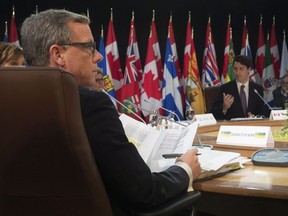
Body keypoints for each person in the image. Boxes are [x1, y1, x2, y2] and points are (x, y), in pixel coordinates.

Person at [20, 9, 201, 215]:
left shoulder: (13, 100)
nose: (98, 56)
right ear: (58, 54)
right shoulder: (89, 104)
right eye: (89, 46)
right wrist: (184, 169)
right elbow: (143, 192)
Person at [212, 55, 265, 120]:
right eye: (235, 69)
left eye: (241, 69)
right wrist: (224, 107)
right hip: (232, 128)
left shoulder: (257, 89)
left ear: (248, 70)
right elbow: (213, 113)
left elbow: (262, 113)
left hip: (252, 127)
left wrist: (256, 117)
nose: (237, 72)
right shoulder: (225, 88)